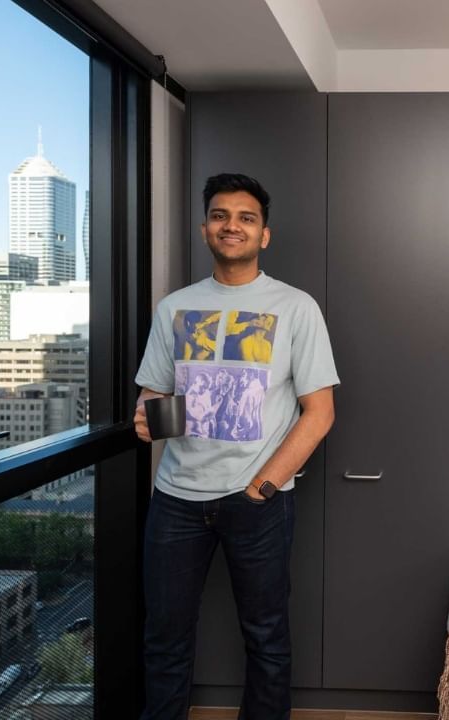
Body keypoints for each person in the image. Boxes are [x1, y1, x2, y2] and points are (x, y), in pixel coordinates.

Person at [133, 173, 339, 720]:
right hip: (176, 498)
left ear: (263, 235)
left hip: (258, 500)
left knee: (267, 640)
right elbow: (157, 390)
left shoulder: (296, 308)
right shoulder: (174, 307)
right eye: (221, 216)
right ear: (206, 230)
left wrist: (263, 486)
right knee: (164, 638)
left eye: (246, 218)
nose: (233, 226)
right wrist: (148, 417)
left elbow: (320, 414)